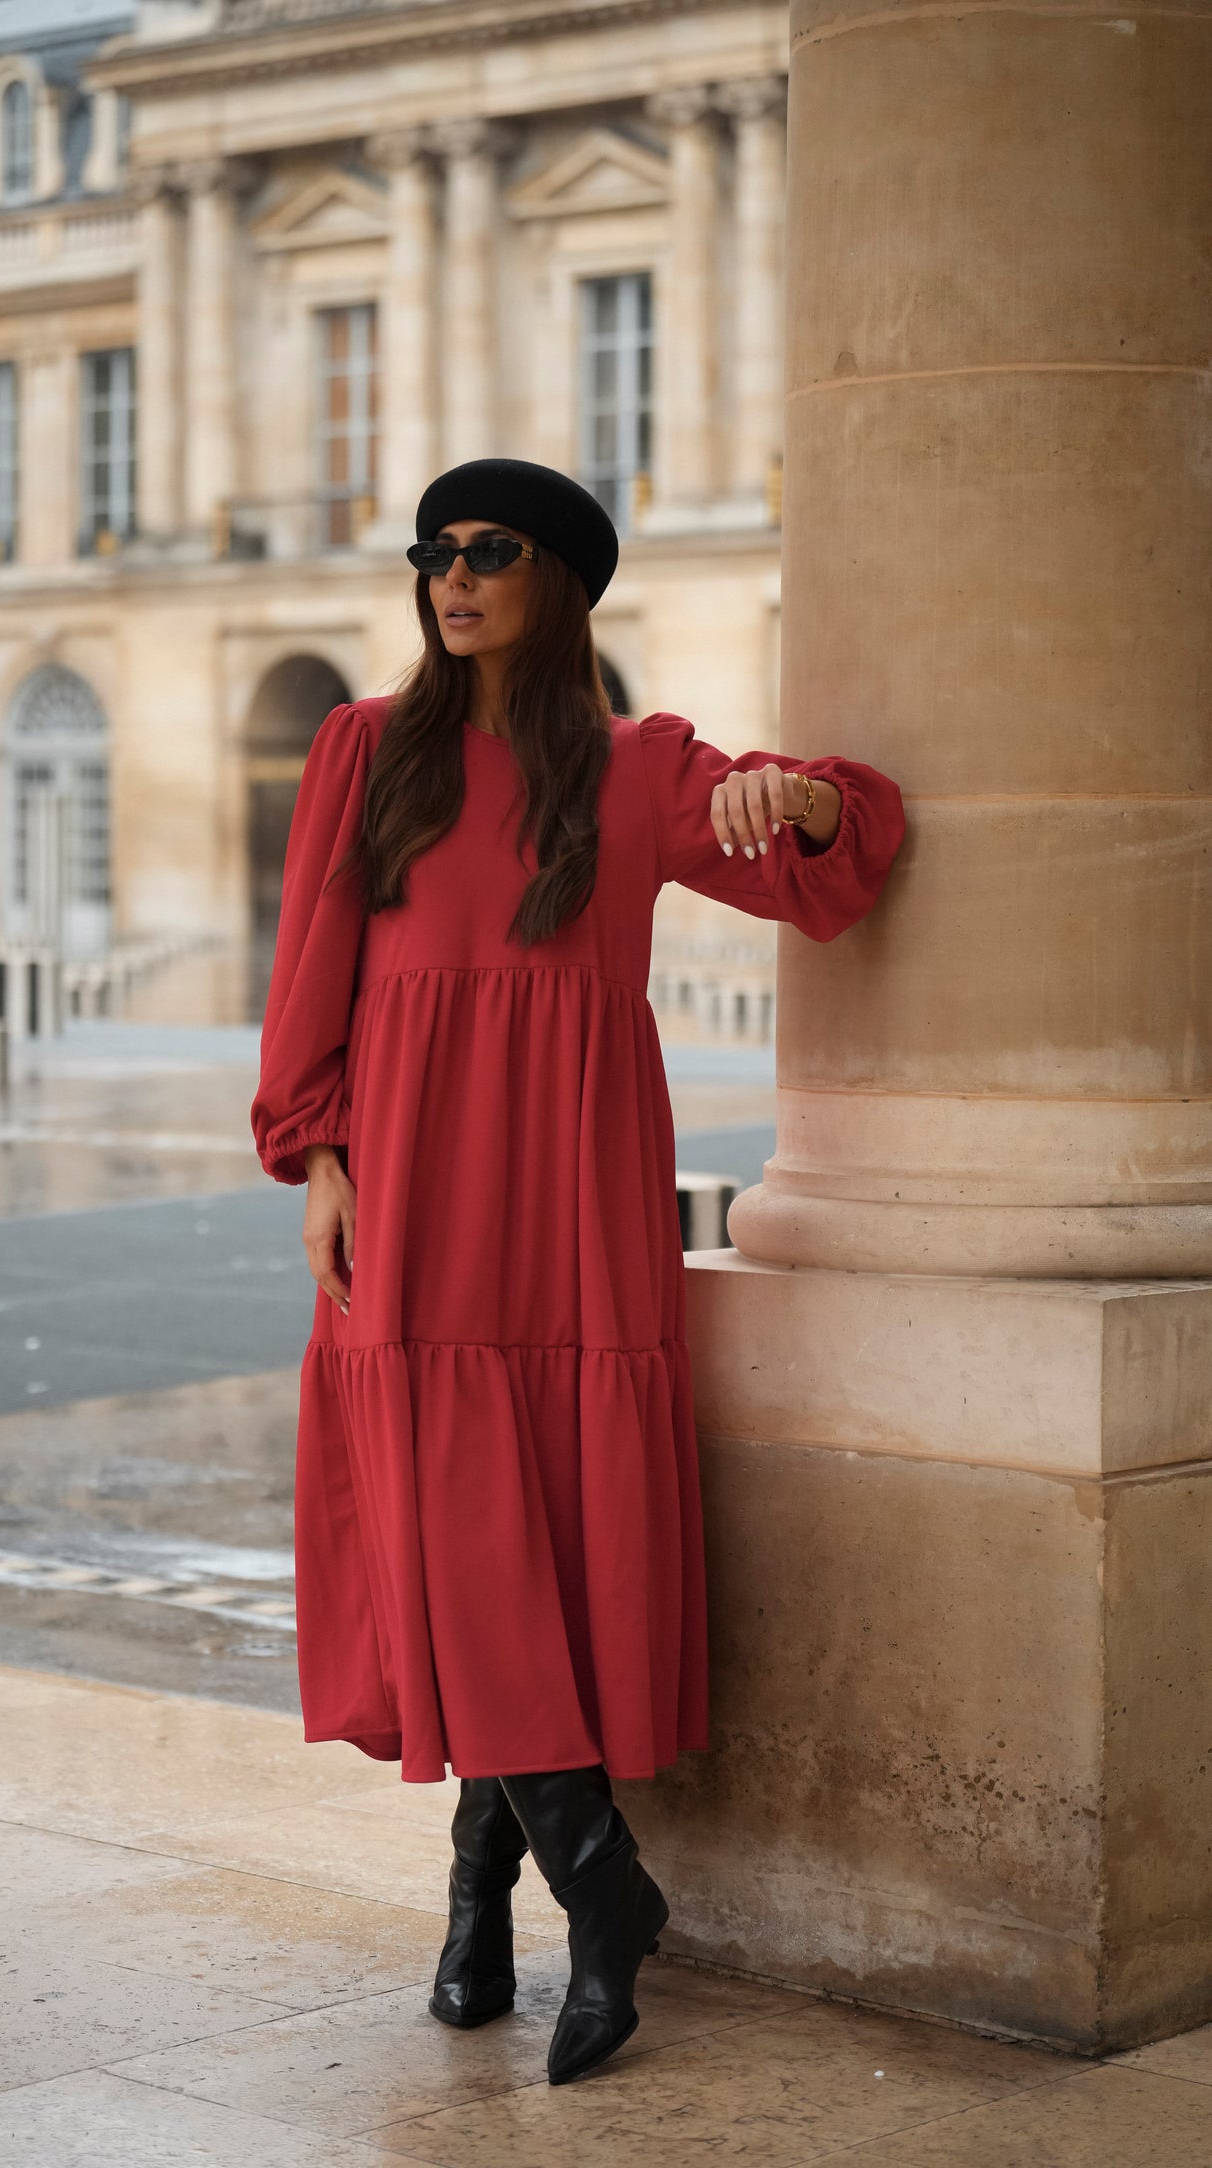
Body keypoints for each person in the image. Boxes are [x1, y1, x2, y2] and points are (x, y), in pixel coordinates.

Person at [250, 456, 906, 2085]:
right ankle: (597, 1890)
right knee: (448, 1517)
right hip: (406, 1180)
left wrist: (802, 797)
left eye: (487, 552)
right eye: (432, 553)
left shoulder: (636, 767)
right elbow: (310, 974)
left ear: (560, 581)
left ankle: (484, 1894)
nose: (449, 577)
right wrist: (316, 1154)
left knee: (527, 1516)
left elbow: (838, 845)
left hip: (570, 1187)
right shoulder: (364, 749)